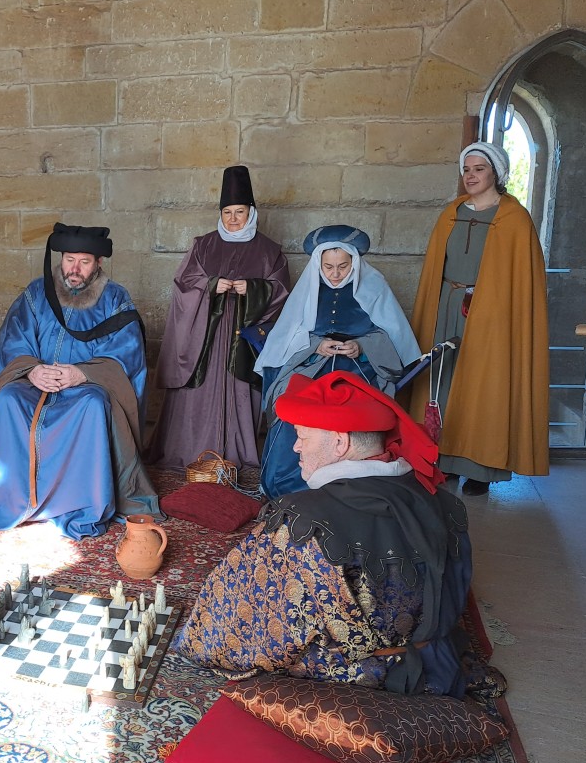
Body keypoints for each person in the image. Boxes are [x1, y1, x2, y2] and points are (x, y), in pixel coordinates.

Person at [176, 370, 472, 698]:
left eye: (303, 436)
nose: (296, 447)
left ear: (340, 441)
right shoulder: (444, 502)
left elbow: (238, 620)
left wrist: (198, 636)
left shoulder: (302, 521)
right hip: (438, 663)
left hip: (357, 682)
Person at [0, 223, 162, 540]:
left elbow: (126, 352)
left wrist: (83, 373)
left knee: (92, 405)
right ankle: (2, 497)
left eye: (84, 261)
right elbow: (14, 340)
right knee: (8, 398)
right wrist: (32, 370)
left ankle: (78, 503)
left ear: (99, 263)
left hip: (84, 388)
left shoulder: (116, 299)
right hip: (37, 381)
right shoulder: (37, 293)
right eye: (69, 259)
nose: (74, 269)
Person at [411, 142, 549, 496]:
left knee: (484, 385)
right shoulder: (450, 214)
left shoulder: (514, 220)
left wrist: (495, 309)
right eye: (467, 169)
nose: (471, 176)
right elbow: (435, 270)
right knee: (442, 381)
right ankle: (443, 460)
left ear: (496, 174)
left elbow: (522, 281)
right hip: (448, 305)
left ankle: (480, 468)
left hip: (493, 314)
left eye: (479, 169)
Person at [255, 225, 421, 498]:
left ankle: (349, 489)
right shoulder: (308, 290)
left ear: (354, 263)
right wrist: (316, 346)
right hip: (312, 366)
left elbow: (390, 335)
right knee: (293, 408)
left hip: (358, 368)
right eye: (328, 267)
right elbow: (290, 336)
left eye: (342, 267)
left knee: (355, 416)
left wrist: (362, 346)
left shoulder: (374, 287)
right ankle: (291, 486)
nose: (334, 274)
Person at [147, 165, 291, 470]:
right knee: (195, 396)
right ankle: (190, 454)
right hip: (204, 339)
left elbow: (281, 291)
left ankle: (233, 456)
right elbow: (184, 285)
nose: (234, 219)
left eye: (240, 211)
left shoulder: (269, 251)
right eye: (227, 212)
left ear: (251, 212)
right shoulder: (203, 245)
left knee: (239, 394)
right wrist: (212, 285)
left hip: (243, 339)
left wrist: (252, 289)